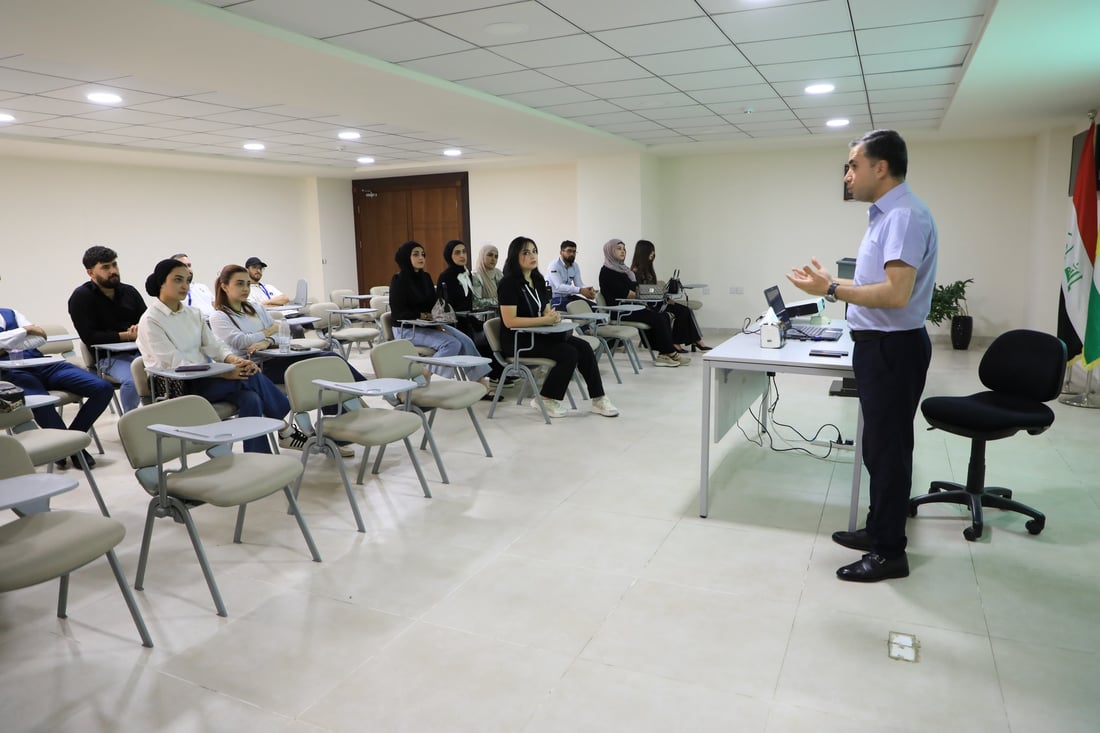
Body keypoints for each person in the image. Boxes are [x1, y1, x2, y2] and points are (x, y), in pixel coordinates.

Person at [786, 129, 938, 583]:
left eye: (853, 165)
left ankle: (889, 552)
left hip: (893, 348)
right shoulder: (885, 216)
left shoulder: (903, 216)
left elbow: (895, 294)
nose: (848, 175)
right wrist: (835, 284)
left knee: (888, 452)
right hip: (880, 347)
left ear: (881, 167)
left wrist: (831, 289)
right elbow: (882, 285)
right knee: (878, 449)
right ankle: (878, 530)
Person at [137, 258, 292, 454]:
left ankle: (258, 456)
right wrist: (223, 373)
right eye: (178, 280)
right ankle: (284, 427)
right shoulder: (151, 320)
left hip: (203, 379)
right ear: (161, 282)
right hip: (174, 386)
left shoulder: (193, 314)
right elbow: (176, 363)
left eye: (187, 280)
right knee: (250, 376)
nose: (185, 285)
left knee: (251, 398)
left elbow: (215, 346)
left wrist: (235, 361)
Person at [209, 263, 362, 454]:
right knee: (317, 368)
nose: (246, 289)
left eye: (248, 284)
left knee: (327, 360)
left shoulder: (255, 307)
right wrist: (268, 331)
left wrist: (266, 340)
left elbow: (283, 333)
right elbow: (241, 342)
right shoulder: (219, 316)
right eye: (240, 284)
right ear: (224, 286)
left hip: (277, 357)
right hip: (258, 365)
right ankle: (357, 396)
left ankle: (337, 429)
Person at [497, 236, 619, 418]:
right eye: (526, 252)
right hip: (518, 341)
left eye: (534, 251)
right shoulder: (508, 284)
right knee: (568, 353)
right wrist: (544, 321)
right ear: (515, 256)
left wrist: (552, 316)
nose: (532, 255)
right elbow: (510, 321)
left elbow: (545, 309)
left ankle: (599, 398)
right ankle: (545, 398)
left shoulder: (537, 280)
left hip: (538, 334)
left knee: (583, 347)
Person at [1, 304, 113, 467]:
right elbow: (30, 333)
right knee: (41, 403)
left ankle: (69, 442)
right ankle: (75, 449)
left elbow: (39, 336)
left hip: (45, 364)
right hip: (13, 372)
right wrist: (24, 331)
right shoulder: (17, 321)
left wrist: (7, 344)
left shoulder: (10, 312)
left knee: (103, 388)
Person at [388, 240, 491, 384]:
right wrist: (422, 316)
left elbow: (433, 304)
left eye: (423, 254)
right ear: (406, 257)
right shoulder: (398, 280)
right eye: (415, 254)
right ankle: (424, 373)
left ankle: (480, 380)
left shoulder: (426, 277)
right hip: (406, 328)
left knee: (465, 340)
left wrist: (438, 323)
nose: (421, 258)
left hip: (428, 324)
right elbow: (399, 312)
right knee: (452, 344)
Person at [67, 245, 146, 412]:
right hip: (108, 358)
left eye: (114, 265)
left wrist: (141, 328)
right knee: (133, 380)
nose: (113, 270)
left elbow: (148, 321)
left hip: (141, 351)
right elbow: (90, 337)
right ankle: (131, 424)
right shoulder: (81, 297)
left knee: (167, 373)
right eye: (105, 267)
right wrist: (127, 336)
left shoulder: (129, 292)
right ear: (90, 273)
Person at [598, 238, 686, 367]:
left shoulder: (624, 270)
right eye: (619, 248)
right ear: (609, 251)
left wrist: (655, 292)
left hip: (632, 307)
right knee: (657, 317)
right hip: (619, 311)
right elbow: (630, 294)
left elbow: (637, 289)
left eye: (624, 248)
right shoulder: (607, 272)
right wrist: (652, 293)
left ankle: (665, 353)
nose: (623, 251)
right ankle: (669, 352)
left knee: (663, 315)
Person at [436, 240, 501, 381]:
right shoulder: (445, 276)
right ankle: (481, 379)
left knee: (490, 335)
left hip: (469, 318)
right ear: (449, 255)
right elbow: (443, 306)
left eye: (464, 252)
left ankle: (495, 375)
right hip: (453, 322)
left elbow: (470, 303)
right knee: (472, 340)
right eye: (457, 252)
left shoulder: (467, 274)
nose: (462, 255)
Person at [630, 239, 710, 353]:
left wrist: (664, 296)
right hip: (650, 305)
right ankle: (681, 342)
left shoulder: (647, 270)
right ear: (643, 252)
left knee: (685, 310)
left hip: (657, 301)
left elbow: (651, 290)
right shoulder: (634, 272)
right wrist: (661, 295)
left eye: (653, 251)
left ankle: (695, 340)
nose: (653, 254)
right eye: (650, 251)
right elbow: (643, 292)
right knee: (682, 311)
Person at [547, 240, 597, 310]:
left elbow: (579, 284)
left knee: (595, 307)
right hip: (555, 299)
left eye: (574, 251)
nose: (572, 254)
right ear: (561, 252)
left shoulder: (575, 266)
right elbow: (559, 287)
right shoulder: (554, 265)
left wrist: (588, 290)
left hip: (568, 297)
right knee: (583, 309)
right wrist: (581, 290)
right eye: (569, 251)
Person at [171, 253, 216, 318]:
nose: (188, 269)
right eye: (183, 266)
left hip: (212, 323)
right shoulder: (172, 291)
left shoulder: (202, 287)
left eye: (189, 265)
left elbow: (215, 306)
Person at [471, 244, 503, 310]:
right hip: (483, 316)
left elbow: (505, 294)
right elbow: (476, 302)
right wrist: (498, 301)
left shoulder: (498, 273)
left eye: (496, 256)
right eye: (490, 255)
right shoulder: (476, 275)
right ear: (482, 256)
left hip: (499, 314)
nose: (493, 259)